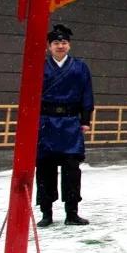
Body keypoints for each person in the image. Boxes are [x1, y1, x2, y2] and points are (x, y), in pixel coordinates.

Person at [36, 24, 95, 227]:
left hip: (70, 123)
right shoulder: (40, 66)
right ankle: (46, 213)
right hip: (46, 123)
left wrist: (85, 119)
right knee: (45, 169)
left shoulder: (80, 67)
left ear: (69, 46)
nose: (60, 46)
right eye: (56, 43)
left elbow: (87, 93)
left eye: (63, 42)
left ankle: (72, 212)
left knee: (72, 168)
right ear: (49, 46)